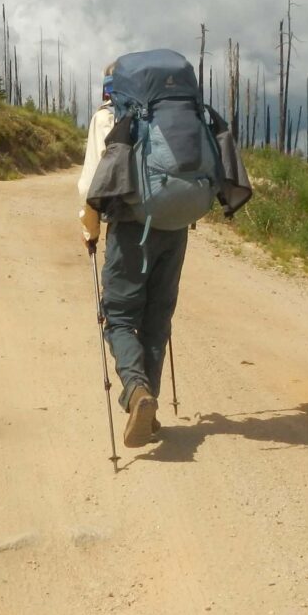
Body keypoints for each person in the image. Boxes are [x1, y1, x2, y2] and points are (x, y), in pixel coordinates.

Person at [77, 65, 189, 448]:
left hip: (129, 227)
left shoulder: (108, 116)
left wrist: (90, 231)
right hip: (174, 228)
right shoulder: (172, 115)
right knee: (157, 317)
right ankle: (149, 401)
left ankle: (137, 392)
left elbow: (93, 184)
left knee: (121, 316)